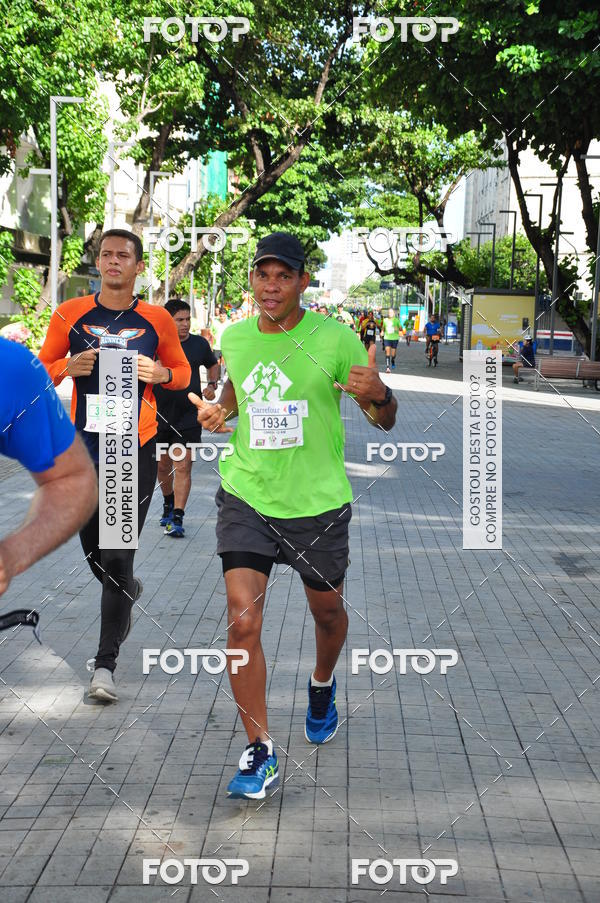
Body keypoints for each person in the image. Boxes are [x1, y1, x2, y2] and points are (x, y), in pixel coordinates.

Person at [189, 231, 397, 800]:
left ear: (304, 281)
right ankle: (260, 750)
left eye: (284, 275)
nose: (272, 285)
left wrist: (378, 393)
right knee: (242, 621)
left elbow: (385, 420)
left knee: (327, 614)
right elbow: (240, 388)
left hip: (317, 505)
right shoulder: (234, 336)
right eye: (263, 274)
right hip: (247, 493)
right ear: (252, 280)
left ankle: (323, 683)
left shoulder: (334, 339)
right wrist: (218, 411)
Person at [39, 229, 191, 702]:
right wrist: (69, 367)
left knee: (118, 552)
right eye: (105, 254)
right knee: (96, 553)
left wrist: (161, 374)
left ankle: (104, 666)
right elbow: (40, 367)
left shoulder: (156, 318)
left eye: (123, 255)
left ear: (138, 266)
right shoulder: (70, 313)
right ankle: (126, 587)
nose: (112, 261)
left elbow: (182, 371)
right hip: (82, 447)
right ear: (98, 263)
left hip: (134, 446)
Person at [0, 338, 97, 604]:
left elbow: (73, 478)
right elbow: (52, 365)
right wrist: (67, 366)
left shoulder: (9, 367)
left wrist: (11, 554)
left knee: (115, 557)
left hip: (133, 443)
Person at [155, 299, 220, 536]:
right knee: (162, 467)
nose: (185, 324)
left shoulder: (199, 344)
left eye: (187, 319)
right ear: (167, 321)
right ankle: (168, 501)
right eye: (179, 320)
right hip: (158, 416)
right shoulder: (155, 344)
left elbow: (213, 364)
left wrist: (212, 384)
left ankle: (178, 517)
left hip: (189, 418)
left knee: (182, 466)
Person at [382, 308, 401, 372]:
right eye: (389, 312)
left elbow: (401, 329)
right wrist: (382, 332)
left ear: (394, 313)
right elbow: (383, 328)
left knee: (393, 354)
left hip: (395, 338)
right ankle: (387, 367)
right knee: (387, 352)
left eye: (391, 312)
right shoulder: (385, 320)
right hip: (387, 338)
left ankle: (393, 360)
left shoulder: (396, 320)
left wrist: (397, 328)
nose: (390, 314)